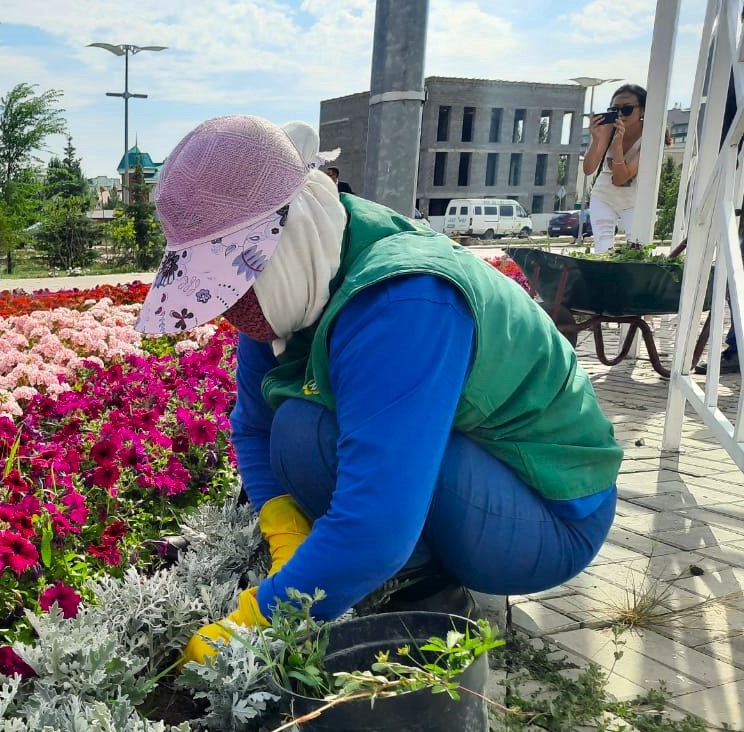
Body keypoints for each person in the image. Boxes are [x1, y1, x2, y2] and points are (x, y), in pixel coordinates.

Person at [133, 116, 622, 664]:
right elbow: (251, 425)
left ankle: (425, 592)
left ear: (285, 237)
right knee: (294, 431)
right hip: (474, 476)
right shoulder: (299, 283)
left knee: (309, 433)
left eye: (233, 280)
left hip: (547, 518)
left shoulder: (403, 298)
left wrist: (253, 625)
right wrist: (281, 523)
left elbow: (374, 528)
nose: (229, 307)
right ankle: (404, 563)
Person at [582, 84, 647, 254]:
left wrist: (617, 147)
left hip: (634, 200)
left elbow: (620, 178)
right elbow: (588, 169)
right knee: (603, 250)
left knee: (637, 251)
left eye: (627, 109)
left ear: (642, 111)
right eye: (614, 109)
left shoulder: (650, 135)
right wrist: (596, 140)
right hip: (604, 196)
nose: (620, 115)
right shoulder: (608, 129)